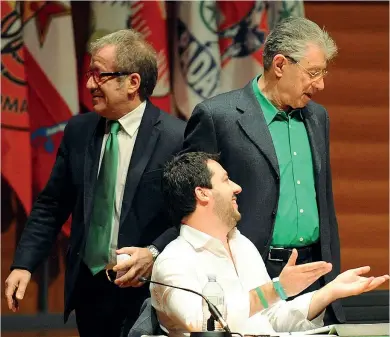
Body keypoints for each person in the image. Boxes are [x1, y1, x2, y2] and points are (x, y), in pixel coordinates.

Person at [5, 29, 185, 337]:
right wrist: (23, 264)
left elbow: (191, 217)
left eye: (98, 75)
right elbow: (51, 205)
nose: (89, 84)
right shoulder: (79, 130)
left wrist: (153, 252)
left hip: (148, 295)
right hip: (90, 292)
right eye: (90, 74)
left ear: (132, 83)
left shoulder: (176, 137)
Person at [182, 17, 344, 323]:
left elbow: (324, 199)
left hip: (314, 272)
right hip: (248, 272)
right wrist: (155, 251)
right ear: (280, 65)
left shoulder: (318, 117)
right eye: (313, 73)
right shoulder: (218, 116)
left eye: (323, 73)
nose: (321, 84)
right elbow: (189, 201)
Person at [150, 152, 388, 336]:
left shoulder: (241, 244)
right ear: (202, 194)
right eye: (225, 180)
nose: (237, 187)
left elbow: (271, 318)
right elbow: (202, 323)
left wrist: (328, 292)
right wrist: (275, 290)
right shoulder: (173, 261)